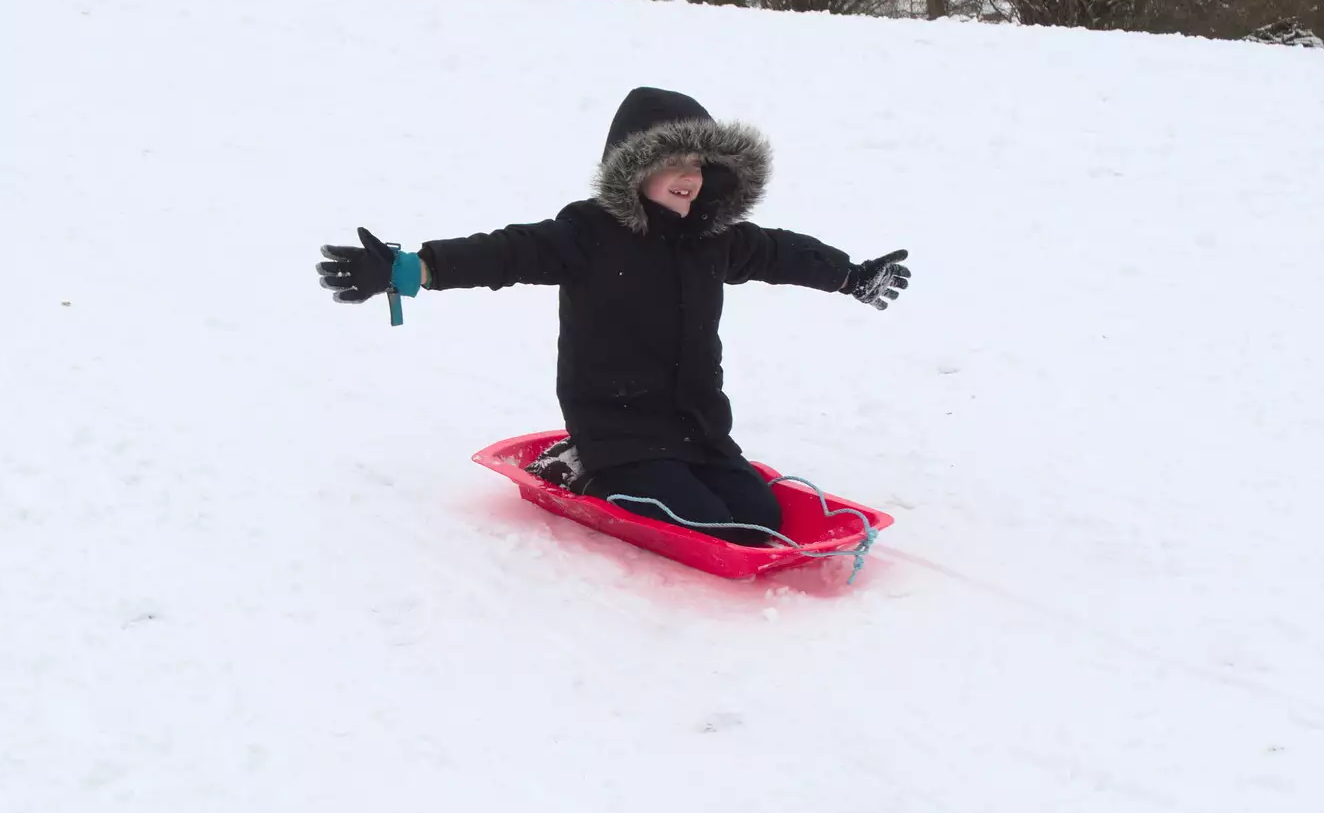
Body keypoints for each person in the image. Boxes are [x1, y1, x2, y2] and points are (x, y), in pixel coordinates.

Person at [317, 86, 910, 545]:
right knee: (711, 526)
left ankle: (670, 470)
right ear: (634, 167)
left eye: (699, 165)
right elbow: (506, 252)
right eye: (674, 161)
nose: (690, 177)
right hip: (619, 433)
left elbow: (781, 252)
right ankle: (577, 466)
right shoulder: (587, 234)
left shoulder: (713, 237)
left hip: (699, 429)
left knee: (759, 516)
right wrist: (409, 269)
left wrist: (851, 275)